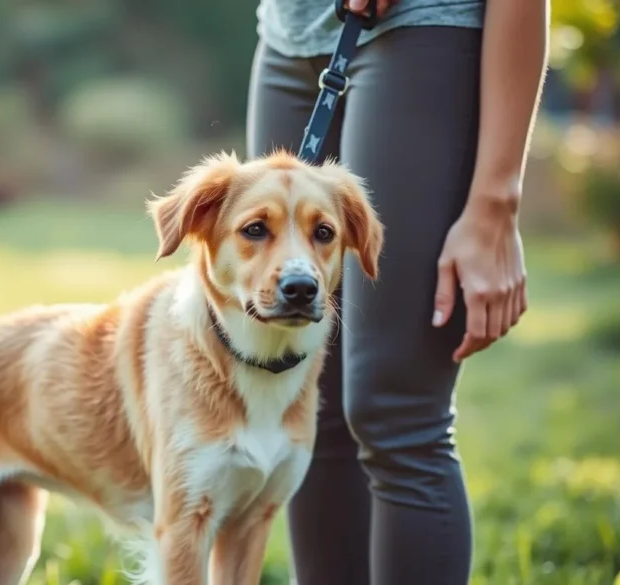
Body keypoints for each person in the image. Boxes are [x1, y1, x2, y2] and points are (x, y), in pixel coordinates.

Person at [245, 0, 548, 583]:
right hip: (287, 37)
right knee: (312, 404)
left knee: (396, 409)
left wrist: (494, 205)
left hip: (425, 29)